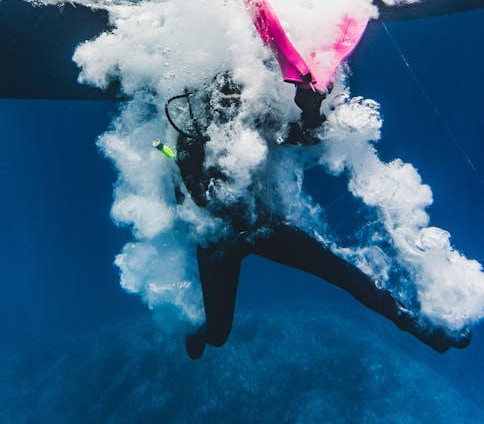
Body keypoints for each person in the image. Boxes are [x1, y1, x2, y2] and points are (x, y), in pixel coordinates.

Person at [170, 72, 471, 360]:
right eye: (225, 99)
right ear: (208, 100)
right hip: (217, 242)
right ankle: (201, 330)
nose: (232, 105)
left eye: (238, 97)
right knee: (218, 337)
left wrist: (310, 109)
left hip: (264, 227)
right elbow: (201, 197)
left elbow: (307, 137)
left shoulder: (254, 117)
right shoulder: (189, 138)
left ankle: (420, 327)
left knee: (341, 273)